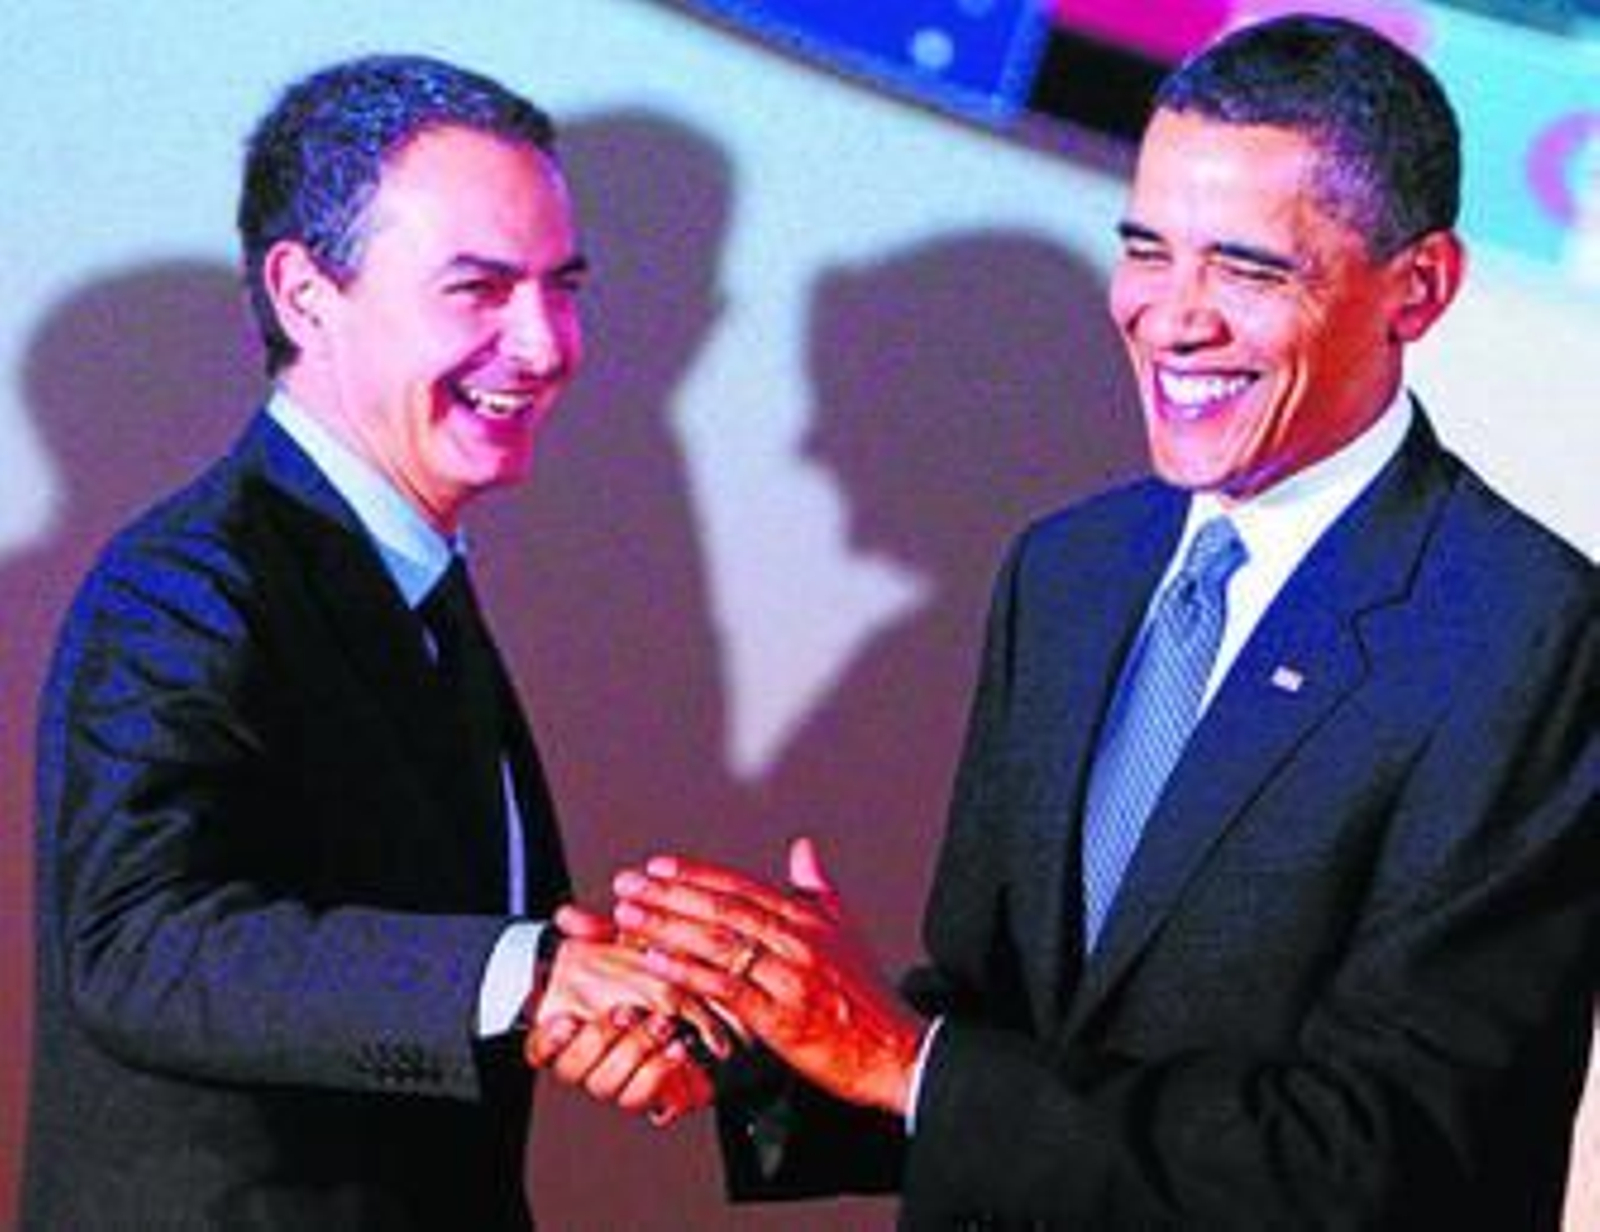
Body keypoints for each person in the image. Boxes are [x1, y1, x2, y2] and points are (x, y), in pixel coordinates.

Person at [595, 15, 1599, 1228]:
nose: (1171, 317)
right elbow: (1013, 1033)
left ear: (1419, 289)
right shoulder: (1070, 569)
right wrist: (765, 1027)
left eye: (1246, 269)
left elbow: (1389, 1157)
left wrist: (903, 1059)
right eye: (1146, 251)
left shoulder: (1525, 632)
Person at [23, 54, 720, 1231]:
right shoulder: (189, 582)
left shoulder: (420, 585)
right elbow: (138, 943)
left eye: (563, 285)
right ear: (304, 293)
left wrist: (578, 1005)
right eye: (479, 288)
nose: (546, 343)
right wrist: (525, 974)